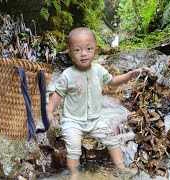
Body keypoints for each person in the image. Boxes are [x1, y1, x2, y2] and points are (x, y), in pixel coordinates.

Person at [46, 27, 149, 180]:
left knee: (112, 139)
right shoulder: (67, 75)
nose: (83, 53)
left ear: (96, 51)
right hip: (72, 121)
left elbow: (113, 82)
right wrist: (49, 111)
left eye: (89, 49)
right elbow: (57, 95)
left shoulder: (99, 70)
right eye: (77, 50)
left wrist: (131, 74)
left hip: (95, 121)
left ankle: (120, 167)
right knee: (73, 146)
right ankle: (74, 174)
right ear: (71, 54)